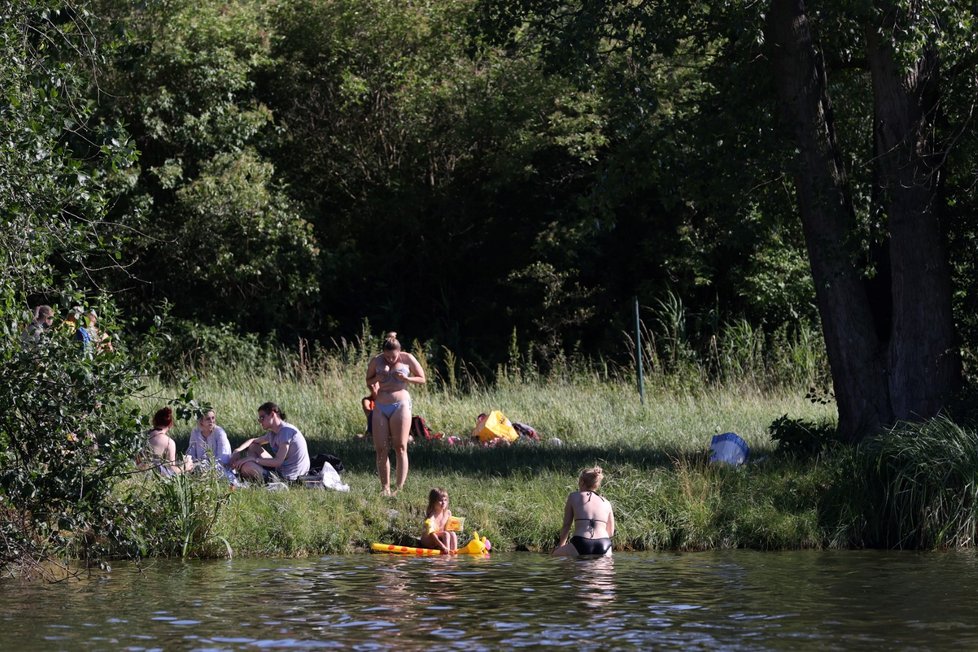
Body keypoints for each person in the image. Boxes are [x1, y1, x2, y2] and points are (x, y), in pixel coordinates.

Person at [365, 332, 426, 495]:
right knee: (381, 448)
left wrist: (407, 379)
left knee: (400, 446)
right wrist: (378, 377)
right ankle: (385, 487)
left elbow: (422, 378)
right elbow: (368, 381)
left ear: (399, 352)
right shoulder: (376, 361)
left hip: (401, 404)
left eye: (393, 356)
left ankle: (399, 488)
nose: (390, 360)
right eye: (387, 356)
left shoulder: (407, 358)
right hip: (381, 405)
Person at [230, 402, 310, 483]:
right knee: (253, 446)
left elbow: (278, 462)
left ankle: (256, 477)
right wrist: (237, 451)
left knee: (247, 466)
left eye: (262, 418)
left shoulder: (285, 431)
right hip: (281, 469)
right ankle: (255, 473)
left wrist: (253, 459)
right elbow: (253, 441)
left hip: (290, 477)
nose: (260, 421)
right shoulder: (273, 433)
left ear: (272, 414)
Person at [553, 466, 615, 557]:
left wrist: (561, 545)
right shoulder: (606, 502)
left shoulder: (573, 496)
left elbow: (567, 525)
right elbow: (610, 532)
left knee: (555, 555)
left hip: (581, 542)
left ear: (581, 482)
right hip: (604, 544)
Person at [142, 407, 193, 476]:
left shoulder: (143, 436)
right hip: (155, 476)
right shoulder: (169, 442)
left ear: (154, 421)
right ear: (170, 424)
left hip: (140, 471)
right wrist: (185, 467)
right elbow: (172, 469)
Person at [420, 487, 458, 553]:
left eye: (445, 500)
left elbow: (450, 529)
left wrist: (455, 526)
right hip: (429, 540)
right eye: (440, 500)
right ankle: (446, 555)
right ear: (433, 502)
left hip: (441, 536)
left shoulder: (448, 513)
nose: (443, 503)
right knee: (446, 534)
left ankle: (454, 552)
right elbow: (432, 534)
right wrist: (443, 547)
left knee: (452, 533)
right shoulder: (432, 516)